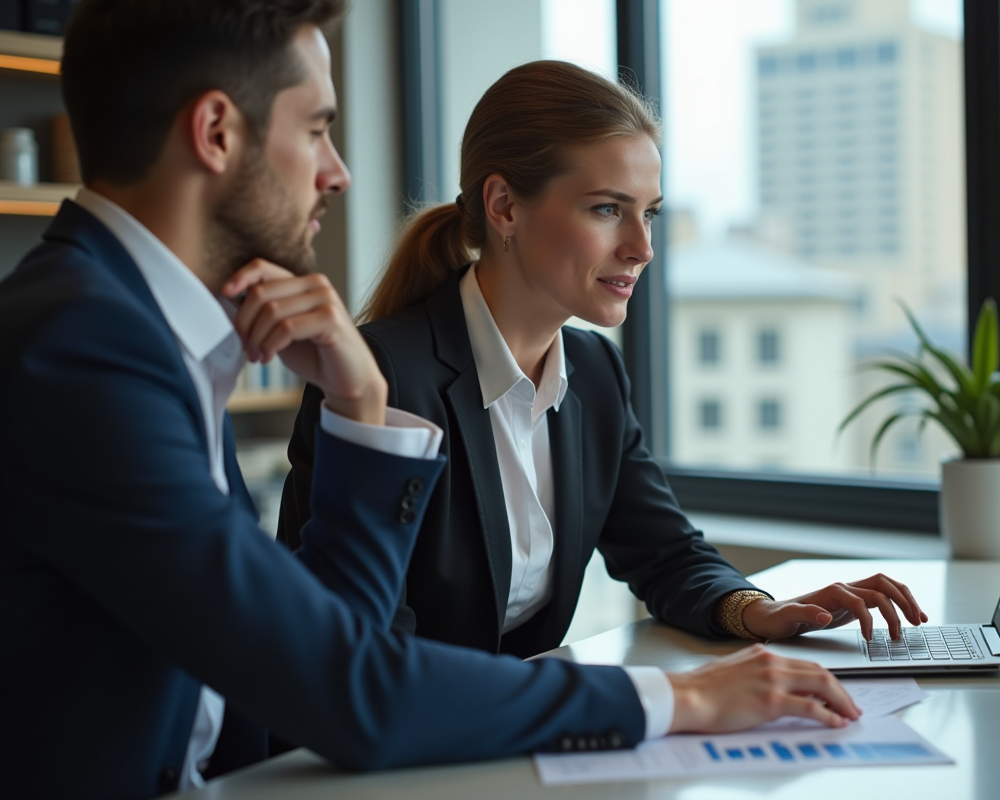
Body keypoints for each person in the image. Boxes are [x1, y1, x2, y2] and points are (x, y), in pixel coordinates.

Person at [0, 4, 866, 798]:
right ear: (218, 132)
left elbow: (318, 653)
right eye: (318, 129)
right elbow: (343, 682)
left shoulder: (144, 335)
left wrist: (360, 403)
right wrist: (679, 701)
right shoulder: (86, 348)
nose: (338, 174)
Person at [279, 61, 929, 663]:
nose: (642, 246)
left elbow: (666, 554)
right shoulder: (378, 377)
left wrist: (759, 611)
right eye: (607, 209)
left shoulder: (592, 371)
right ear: (504, 205)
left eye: (648, 213)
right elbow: (369, 650)